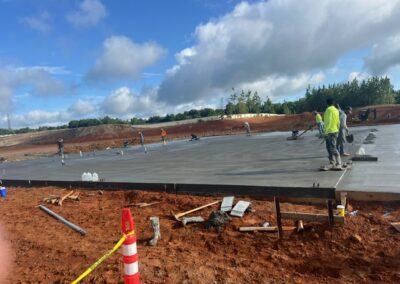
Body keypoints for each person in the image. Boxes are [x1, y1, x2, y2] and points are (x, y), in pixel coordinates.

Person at [323, 98, 341, 169]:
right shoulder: (336, 110)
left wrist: (326, 132)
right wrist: (338, 128)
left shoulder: (328, 110)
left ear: (327, 103)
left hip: (330, 131)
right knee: (330, 147)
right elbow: (338, 121)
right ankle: (332, 162)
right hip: (335, 130)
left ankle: (338, 163)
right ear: (333, 103)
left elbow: (329, 121)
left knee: (332, 148)